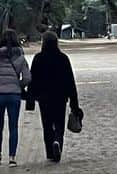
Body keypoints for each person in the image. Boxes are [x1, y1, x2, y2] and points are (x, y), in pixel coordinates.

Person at [27, 31, 80, 163]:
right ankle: (57, 141)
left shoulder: (38, 58)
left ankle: (50, 152)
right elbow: (70, 81)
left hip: (43, 98)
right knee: (59, 124)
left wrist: (30, 99)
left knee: (47, 125)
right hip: (60, 97)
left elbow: (32, 80)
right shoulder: (63, 58)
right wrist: (74, 103)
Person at [0, 29, 31, 166]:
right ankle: (12, 157)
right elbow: (27, 77)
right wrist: (19, 85)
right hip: (14, 95)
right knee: (13, 126)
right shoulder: (20, 57)